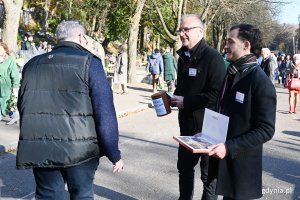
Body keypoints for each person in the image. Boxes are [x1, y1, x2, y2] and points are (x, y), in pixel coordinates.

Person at [16, 20, 124, 199]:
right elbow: (104, 112)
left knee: (48, 195)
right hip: (80, 150)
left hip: (41, 146)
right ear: (81, 37)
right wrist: (114, 153)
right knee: (81, 194)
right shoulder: (90, 63)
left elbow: (23, 105)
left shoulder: (32, 65)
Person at [208, 24, 276, 199]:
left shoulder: (260, 81)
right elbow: (224, 111)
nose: (225, 46)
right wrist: (208, 133)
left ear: (246, 45)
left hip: (242, 169)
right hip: (224, 163)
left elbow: (266, 129)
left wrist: (229, 147)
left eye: (230, 41)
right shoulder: (232, 73)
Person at [170, 14, 226, 200]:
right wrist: (171, 98)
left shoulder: (213, 58)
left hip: (208, 128)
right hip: (186, 126)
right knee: (184, 169)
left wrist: (186, 102)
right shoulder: (182, 57)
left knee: (208, 177)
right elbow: (182, 88)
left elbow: (217, 94)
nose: (182, 33)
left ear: (200, 31)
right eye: (181, 30)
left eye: (186, 29)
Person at [0, 42, 20, 122]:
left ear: (5, 50)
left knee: (7, 103)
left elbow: (15, 74)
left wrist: (15, 86)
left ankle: (13, 115)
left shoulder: (10, 60)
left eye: (0, 49)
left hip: (6, 86)